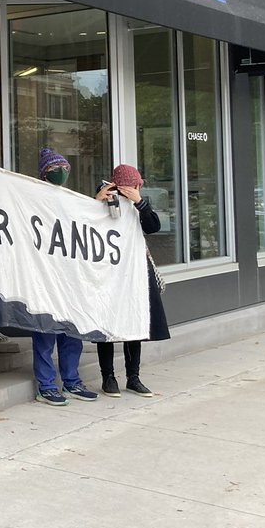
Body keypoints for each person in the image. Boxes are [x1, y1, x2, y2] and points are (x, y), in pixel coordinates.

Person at [94, 164, 170, 398]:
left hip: (135, 269)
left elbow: (153, 226)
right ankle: (108, 376)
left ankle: (133, 377)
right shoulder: (102, 200)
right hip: (109, 269)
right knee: (107, 323)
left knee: (135, 321)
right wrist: (97, 201)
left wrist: (140, 202)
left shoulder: (138, 204)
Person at [31, 147, 98, 406]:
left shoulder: (72, 200)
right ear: (44, 173)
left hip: (71, 279)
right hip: (45, 278)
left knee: (72, 332)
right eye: (54, 169)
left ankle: (72, 381)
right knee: (45, 332)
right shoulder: (33, 199)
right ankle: (46, 385)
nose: (61, 173)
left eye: (64, 169)